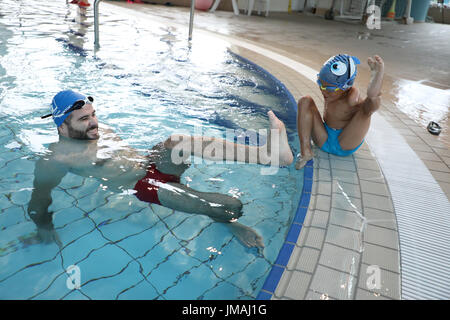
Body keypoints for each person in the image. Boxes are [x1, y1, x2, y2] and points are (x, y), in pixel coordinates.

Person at [29, 90, 294, 248]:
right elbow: (39, 200)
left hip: (150, 162)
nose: (94, 122)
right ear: (62, 126)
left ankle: (269, 155)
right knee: (229, 207)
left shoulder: (96, 131)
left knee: (177, 141)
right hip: (143, 187)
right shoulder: (56, 160)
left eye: (94, 114)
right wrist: (44, 228)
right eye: (84, 119)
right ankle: (230, 223)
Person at [295, 54, 384, 169]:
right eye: (320, 85)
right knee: (305, 101)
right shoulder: (329, 91)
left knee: (366, 111)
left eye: (330, 89)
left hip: (345, 143)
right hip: (324, 139)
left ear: (345, 87)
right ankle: (306, 152)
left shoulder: (353, 101)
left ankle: (375, 83)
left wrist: (376, 79)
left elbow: (373, 104)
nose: (324, 91)